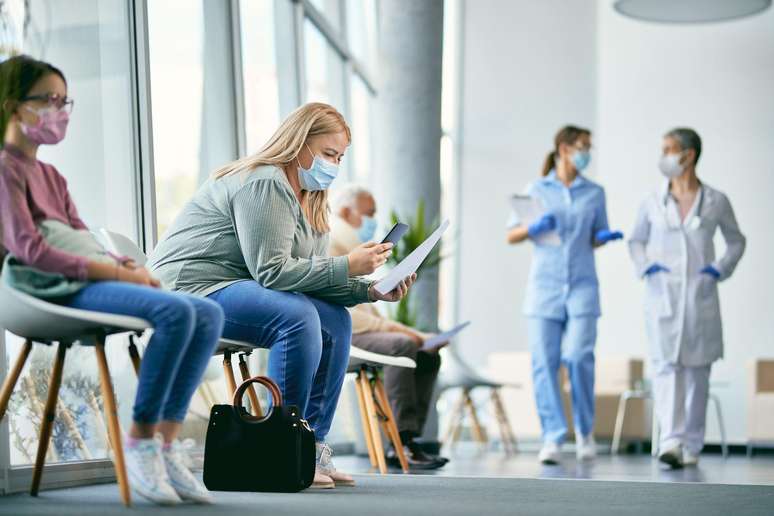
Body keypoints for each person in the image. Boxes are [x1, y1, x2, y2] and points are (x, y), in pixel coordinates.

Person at [147, 103, 416, 489]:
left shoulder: (311, 198)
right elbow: (272, 271)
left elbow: (308, 276)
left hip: (237, 284)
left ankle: (311, 447)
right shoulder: (265, 182)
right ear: (298, 143)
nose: (334, 165)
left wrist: (369, 289)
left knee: (335, 319)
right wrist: (349, 266)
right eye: (327, 154)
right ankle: (280, 445)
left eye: (339, 157)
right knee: (296, 315)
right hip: (192, 286)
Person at [0, 55, 224, 506]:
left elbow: (83, 236)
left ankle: (164, 444)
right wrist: (116, 271)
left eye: (65, 101)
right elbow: (31, 250)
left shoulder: (51, 175)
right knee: (176, 311)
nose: (59, 111)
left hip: (80, 276)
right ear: (13, 105)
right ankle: (141, 439)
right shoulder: (6, 170)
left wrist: (130, 268)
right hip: (43, 286)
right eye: (49, 99)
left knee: (209, 312)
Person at [506, 125, 623, 465]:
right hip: (544, 287)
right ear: (563, 148)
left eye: (589, 147)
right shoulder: (537, 188)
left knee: (579, 357)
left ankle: (585, 432)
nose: (587, 153)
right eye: (582, 146)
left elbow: (595, 236)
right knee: (544, 363)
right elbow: (512, 234)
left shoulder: (595, 192)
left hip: (583, 286)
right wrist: (532, 228)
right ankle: (553, 437)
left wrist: (604, 235)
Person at [629, 128, 745, 469]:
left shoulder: (716, 201)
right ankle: (671, 440)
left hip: (699, 297)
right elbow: (636, 240)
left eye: (669, 149)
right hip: (662, 297)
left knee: (697, 374)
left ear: (689, 154)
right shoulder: (652, 200)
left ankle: (692, 443)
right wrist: (646, 265)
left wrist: (719, 269)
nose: (663, 155)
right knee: (665, 370)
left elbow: (736, 241)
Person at [329, 184, 447, 470]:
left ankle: (407, 439)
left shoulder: (356, 251)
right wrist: (411, 333)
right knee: (403, 345)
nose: (373, 222)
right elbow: (353, 317)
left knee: (429, 353)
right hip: (345, 334)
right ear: (346, 212)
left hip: (362, 333)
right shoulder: (333, 245)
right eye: (369, 214)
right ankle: (400, 441)